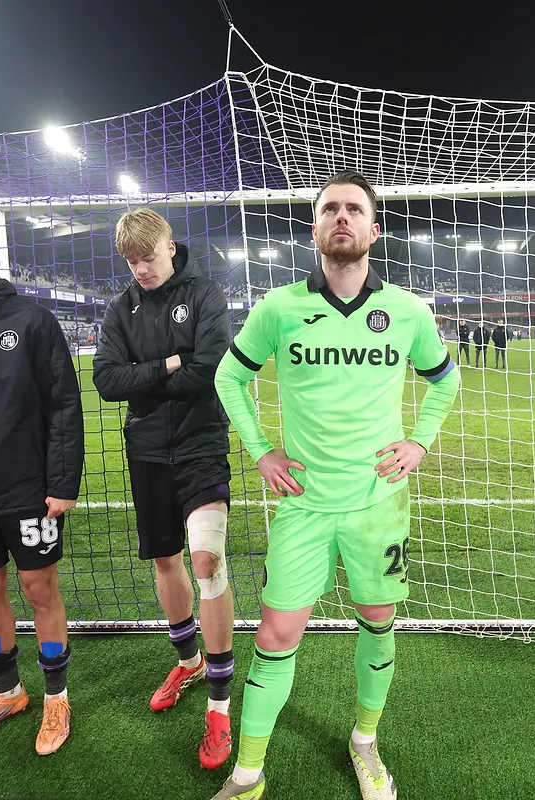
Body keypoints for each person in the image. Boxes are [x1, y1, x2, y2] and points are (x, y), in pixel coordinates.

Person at [210, 171, 459, 800]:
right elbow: (227, 379)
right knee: (275, 636)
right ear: (315, 228)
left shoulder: (406, 311)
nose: (341, 217)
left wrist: (420, 441)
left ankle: (365, 742)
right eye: (330, 210)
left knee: (377, 621)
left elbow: (445, 381)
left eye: (354, 209)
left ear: (374, 230)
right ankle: (248, 773)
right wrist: (262, 451)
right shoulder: (279, 308)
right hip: (304, 506)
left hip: (378, 505)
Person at [93, 208, 235, 769]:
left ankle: (220, 708)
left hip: (201, 446)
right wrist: (168, 364)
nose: (140, 270)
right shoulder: (119, 309)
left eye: (147, 258)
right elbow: (106, 380)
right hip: (145, 452)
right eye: (130, 262)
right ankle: (189, 660)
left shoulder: (205, 294)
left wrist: (147, 374)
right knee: (165, 561)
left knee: (208, 561)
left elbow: (211, 368)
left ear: (170, 247)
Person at [0, 271, 84, 754]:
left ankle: (56, 698)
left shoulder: (32, 320)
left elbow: (64, 404)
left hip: (27, 487)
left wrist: (63, 482)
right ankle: (7, 690)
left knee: (38, 589)